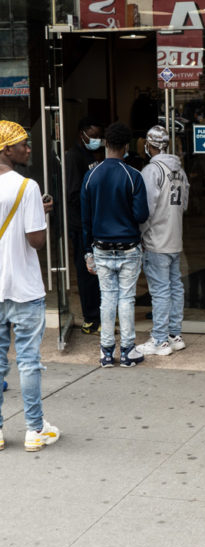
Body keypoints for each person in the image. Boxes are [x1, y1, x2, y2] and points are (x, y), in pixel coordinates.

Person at [0, 120, 60, 451]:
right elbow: (35, 241)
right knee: (28, 361)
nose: (28, 148)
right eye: (24, 143)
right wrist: (41, 213)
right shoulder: (27, 187)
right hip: (24, 289)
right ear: (7, 149)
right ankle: (34, 430)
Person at [81, 122, 149, 368]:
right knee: (127, 298)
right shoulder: (133, 176)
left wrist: (87, 252)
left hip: (100, 247)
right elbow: (141, 215)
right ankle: (128, 351)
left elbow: (85, 219)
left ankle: (106, 352)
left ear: (105, 144)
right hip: (129, 247)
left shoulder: (91, 176)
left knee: (107, 299)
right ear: (126, 146)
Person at [135, 125, 190, 356]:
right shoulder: (179, 170)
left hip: (157, 239)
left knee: (159, 290)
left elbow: (146, 208)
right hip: (175, 237)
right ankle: (175, 334)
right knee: (175, 287)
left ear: (150, 145)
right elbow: (184, 204)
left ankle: (159, 339)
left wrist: (142, 234)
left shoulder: (152, 170)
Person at [65, 116, 103, 334]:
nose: (97, 140)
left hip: (92, 224)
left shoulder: (90, 155)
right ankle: (91, 318)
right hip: (81, 226)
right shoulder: (73, 156)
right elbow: (73, 193)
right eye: (94, 136)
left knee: (96, 274)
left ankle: (98, 313)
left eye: (99, 136)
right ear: (83, 134)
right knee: (86, 274)